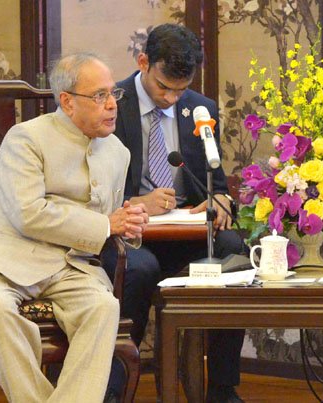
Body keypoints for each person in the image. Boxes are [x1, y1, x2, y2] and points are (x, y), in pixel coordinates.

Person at [0, 52, 148, 403]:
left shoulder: (118, 152)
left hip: (70, 266)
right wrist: (105, 224)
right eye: (100, 95)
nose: (112, 105)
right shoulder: (26, 138)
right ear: (67, 102)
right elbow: (28, 214)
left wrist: (127, 226)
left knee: (104, 307)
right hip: (3, 258)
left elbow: (105, 224)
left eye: (113, 94)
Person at [102, 23, 246, 403]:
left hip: (183, 233)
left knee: (234, 249)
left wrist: (220, 200)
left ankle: (222, 389)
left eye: (180, 90)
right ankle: (116, 388)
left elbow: (212, 181)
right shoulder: (112, 105)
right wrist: (133, 203)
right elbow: (90, 190)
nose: (171, 98)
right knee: (139, 268)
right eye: (164, 87)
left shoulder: (200, 109)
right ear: (143, 62)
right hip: (128, 232)